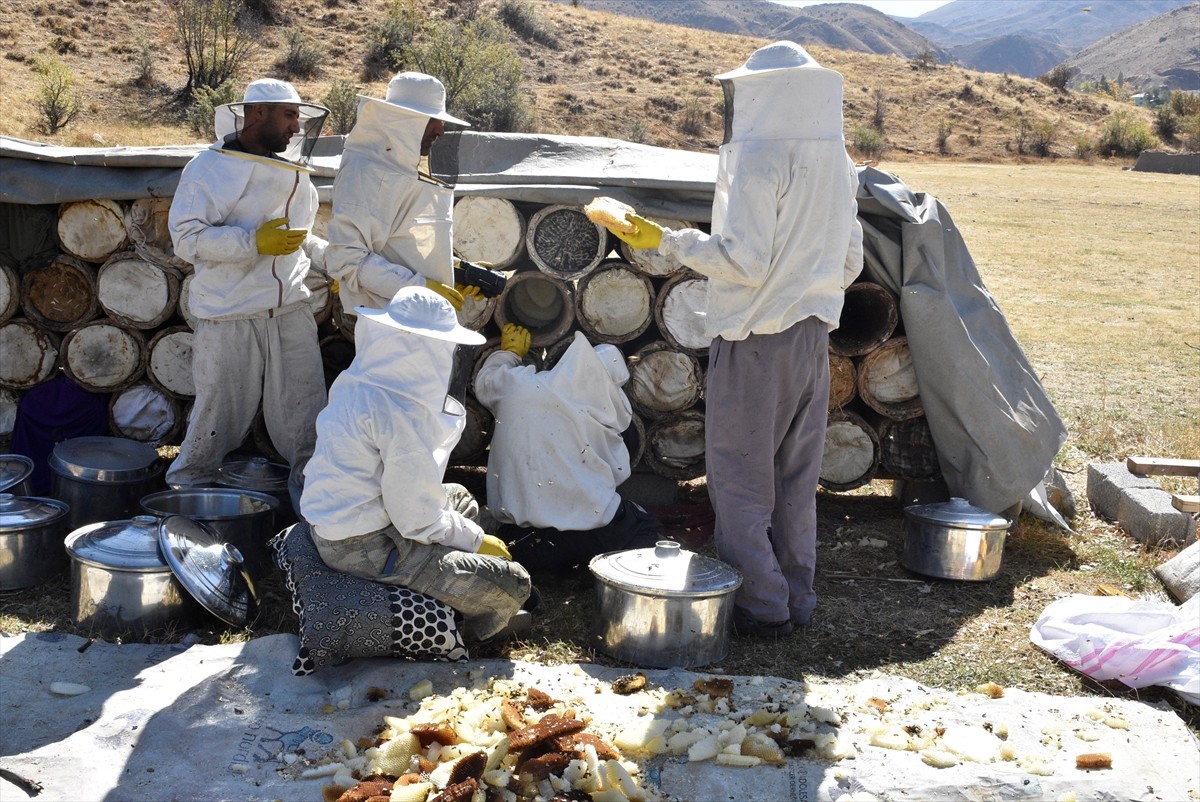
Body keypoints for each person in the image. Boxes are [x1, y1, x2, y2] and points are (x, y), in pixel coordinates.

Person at [600, 41, 864, 637]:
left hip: (755, 341)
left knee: (740, 480)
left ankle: (761, 608)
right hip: (812, 340)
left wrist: (667, 241)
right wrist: (803, 287)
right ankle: (797, 599)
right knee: (796, 480)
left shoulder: (761, 158)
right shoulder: (838, 161)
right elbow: (850, 261)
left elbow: (743, 260)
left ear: (761, 95)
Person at [299, 286, 532, 643]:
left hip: (348, 522)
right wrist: (476, 541)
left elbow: (410, 499)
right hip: (363, 546)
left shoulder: (358, 381)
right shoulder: (400, 413)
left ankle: (436, 580)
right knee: (513, 583)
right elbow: (415, 518)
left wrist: (464, 535)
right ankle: (464, 622)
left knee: (459, 497)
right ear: (429, 348)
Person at [168, 78, 331, 512]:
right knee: (215, 422)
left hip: (289, 312)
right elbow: (186, 239)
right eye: (290, 115)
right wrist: (251, 243)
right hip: (230, 314)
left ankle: (315, 520)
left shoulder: (295, 174)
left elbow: (301, 238)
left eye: (299, 117)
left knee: (308, 423)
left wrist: (339, 261)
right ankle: (183, 509)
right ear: (258, 112)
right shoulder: (209, 168)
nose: (297, 127)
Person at [474, 327, 663, 578]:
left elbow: (486, 382)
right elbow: (617, 474)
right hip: (591, 538)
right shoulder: (602, 417)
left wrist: (509, 353)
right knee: (644, 525)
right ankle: (584, 573)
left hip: (523, 540)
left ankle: (551, 573)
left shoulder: (520, 385)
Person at [325, 72, 481, 321]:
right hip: (386, 323)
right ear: (404, 121)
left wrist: (455, 269)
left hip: (416, 318)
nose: (441, 130)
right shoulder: (365, 172)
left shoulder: (396, 168)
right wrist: (420, 288)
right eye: (432, 120)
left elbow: (400, 241)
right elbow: (347, 259)